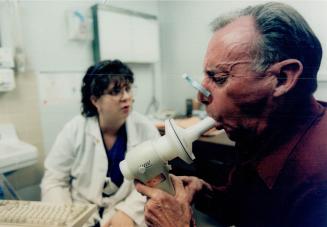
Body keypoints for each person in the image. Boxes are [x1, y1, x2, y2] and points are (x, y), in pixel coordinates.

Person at [135, 2, 327, 227]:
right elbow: (247, 207)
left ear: (283, 78)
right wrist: (205, 193)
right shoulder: (261, 136)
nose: (201, 96)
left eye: (219, 79)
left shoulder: (317, 180)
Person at [41, 59, 159, 227]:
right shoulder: (74, 130)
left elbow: (154, 181)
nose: (126, 97)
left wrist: (129, 213)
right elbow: (54, 180)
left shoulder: (145, 130)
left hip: (123, 214)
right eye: (115, 91)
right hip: (80, 214)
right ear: (95, 100)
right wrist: (64, 216)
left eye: (127, 89)